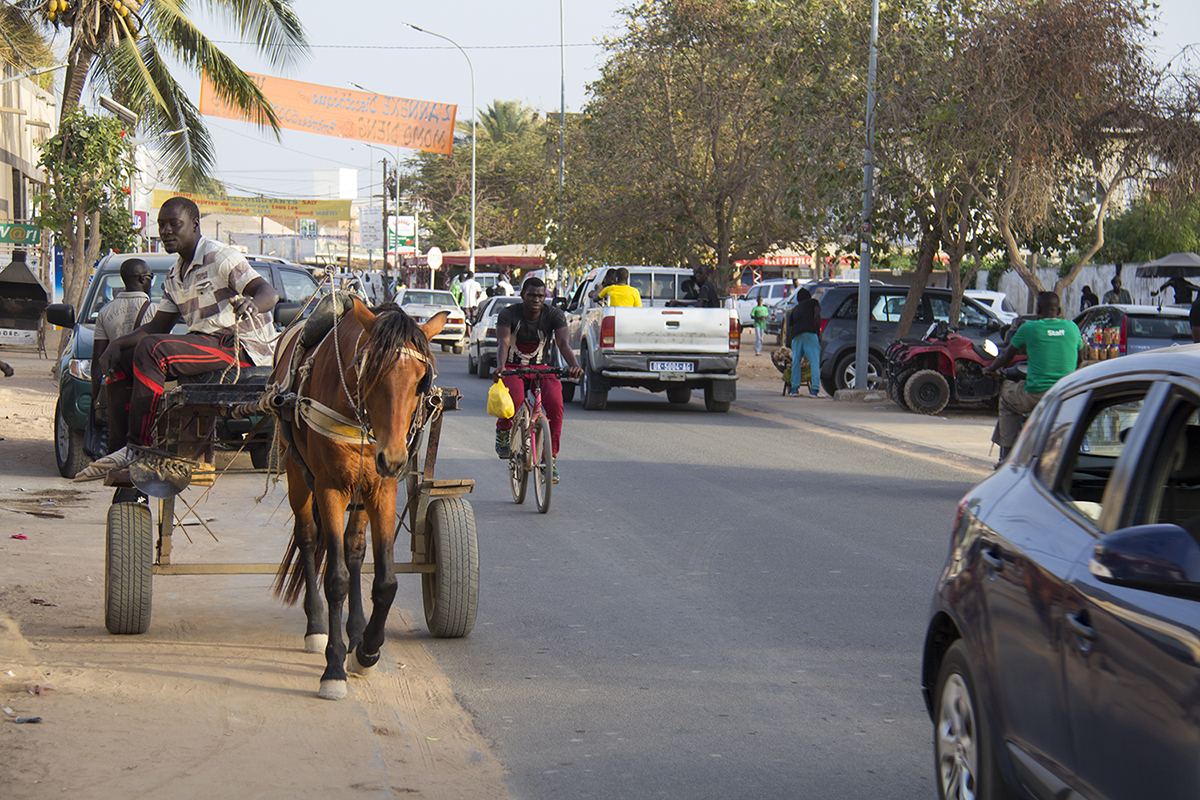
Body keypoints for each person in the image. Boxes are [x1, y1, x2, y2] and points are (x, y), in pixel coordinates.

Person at [74, 196, 280, 480]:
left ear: (195, 225)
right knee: (121, 360)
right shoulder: (174, 275)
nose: (166, 230)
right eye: (162, 224)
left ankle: (140, 447)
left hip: (238, 349)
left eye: (175, 224)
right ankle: (118, 448)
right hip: (207, 344)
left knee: (151, 350)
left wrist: (253, 304)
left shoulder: (220, 256)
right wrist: (116, 343)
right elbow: (158, 325)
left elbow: (268, 291)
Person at [492, 277, 584, 483]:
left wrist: (574, 365)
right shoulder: (508, 314)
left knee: (556, 405)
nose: (536, 299)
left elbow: (563, 343)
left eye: (540, 296)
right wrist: (501, 366)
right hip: (513, 368)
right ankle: (504, 430)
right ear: (522, 295)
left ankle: (549, 460)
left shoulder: (554, 315)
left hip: (542, 368)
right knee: (513, 399)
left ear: (545, 297)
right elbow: (503, 341)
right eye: (532, 295)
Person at [985, 291, 1083, 467]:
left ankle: (1006, 457)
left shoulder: (1029, 328)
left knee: (1007, 398)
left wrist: (990, 369)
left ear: (1038, 310)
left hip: (1036, 394)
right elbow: (1081, 360)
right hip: (1065, 395)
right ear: (1059, 309)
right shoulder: (1073, 328)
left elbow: (1006, 356)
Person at [90, 258, 157, 454]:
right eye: (150, 277)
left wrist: (95, 397)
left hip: (115, 386)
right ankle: (141, 478)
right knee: (145, 436)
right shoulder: (155, 312)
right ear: (143, 278)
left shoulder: (105, 312)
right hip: (145, 384)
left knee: (117, 436)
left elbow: (97, 358)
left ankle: (119, 478)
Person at [786, 288, 822, 396]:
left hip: (796, 335)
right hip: (809, 333)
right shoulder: (813, 302)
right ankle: (815, 390)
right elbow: (817, 315)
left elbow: (791, 327)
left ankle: (794, 389)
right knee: (814, 361)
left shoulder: (795, 309)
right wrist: (818, 331)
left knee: (796, 361)